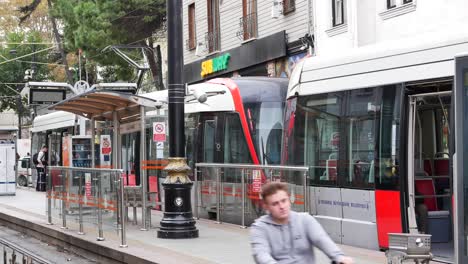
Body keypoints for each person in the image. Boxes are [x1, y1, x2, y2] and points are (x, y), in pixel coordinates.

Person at [250, 182, 354, 264]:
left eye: (284, 201)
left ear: (289, 199)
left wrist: (339, 257)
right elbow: (261, 254)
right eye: (275, 204)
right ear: (266, 206)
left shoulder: (304, 220)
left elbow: (321, 239)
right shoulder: (259, 227)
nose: (281, 206)